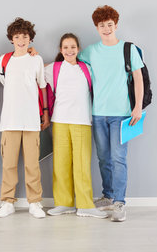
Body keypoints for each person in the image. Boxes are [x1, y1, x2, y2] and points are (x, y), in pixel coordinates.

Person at [79, 5, 144, 222]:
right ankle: (107, 196)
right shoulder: (90, 51)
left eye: (109, 25)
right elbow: (69, 58)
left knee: (118, 158)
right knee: (103, 158)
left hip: (123, 114)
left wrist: (138, 107)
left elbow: (138, 78)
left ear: (116, 25)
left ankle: (119, 203)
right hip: (98, 114)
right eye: (101, 25)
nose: (106, 29)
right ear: (96, 28)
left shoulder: (128, 49)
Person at [45, 33, 107, 219]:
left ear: (78, 49)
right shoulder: (53, 68)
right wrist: (31, 53)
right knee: (61, 164)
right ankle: (64, 203)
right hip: (60, 121)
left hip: (82, 121)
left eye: (73, 47)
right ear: (60, 50)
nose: (69, 50)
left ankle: (85, 205)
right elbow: (34, 73)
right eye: (65, 47)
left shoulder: (87, 68)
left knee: (81, 165)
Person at [0, 18, 49, 219]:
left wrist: (44, 113)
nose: (21, 40)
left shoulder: (37, 59)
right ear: (11, 39)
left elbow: (42, 86)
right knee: (8, 164)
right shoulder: (3, 60)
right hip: (9, 120)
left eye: (25, 37)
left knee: (32, 165)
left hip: (32, 120)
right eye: (17, 37)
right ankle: (7, 202)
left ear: (30, 39)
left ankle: (35, 203)